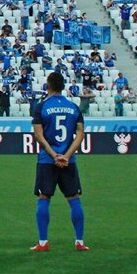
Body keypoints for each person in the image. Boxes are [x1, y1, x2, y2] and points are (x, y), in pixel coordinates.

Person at [29, 72, 88, 252]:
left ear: (48, 85)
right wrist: (67, 155)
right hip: (69, 161)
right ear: (63, 86)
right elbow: (80, 134)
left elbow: (38, 135)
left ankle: (43, 242)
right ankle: (79, 241)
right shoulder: (73, 107)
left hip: (48, 160)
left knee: (44, 198)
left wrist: (54, 155)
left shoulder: (41, 107)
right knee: (74, 199)